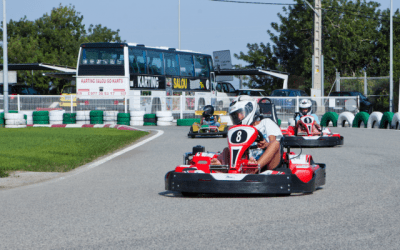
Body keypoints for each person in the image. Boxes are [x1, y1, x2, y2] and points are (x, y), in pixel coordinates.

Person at [210, 95, 282, 172]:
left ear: (249, 109)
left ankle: (254, 169)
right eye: (234, 116)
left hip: (268, 163)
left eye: (239, 113)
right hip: (246, 162)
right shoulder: (238, 130)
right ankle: (224, 169)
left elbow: (273, 142)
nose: (238, 118)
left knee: (275, 144)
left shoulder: (266, 122)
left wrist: (265, 145)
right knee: (226, 150)